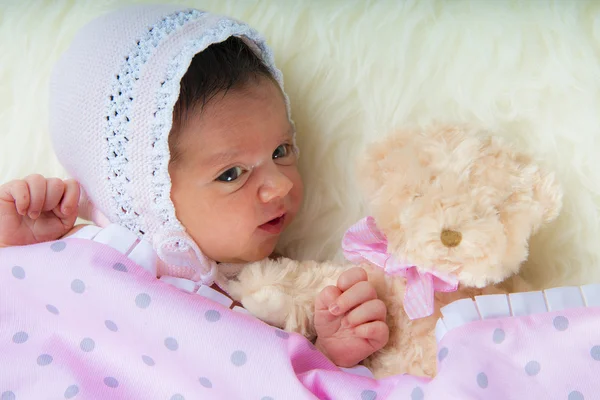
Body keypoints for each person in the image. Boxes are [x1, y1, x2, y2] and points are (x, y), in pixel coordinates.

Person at [0, 4, 388, 371]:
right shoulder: (98, 260)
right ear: (146, 195)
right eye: (232, 174)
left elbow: (264, 380)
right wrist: (19, 248)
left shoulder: (263, 298)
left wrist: (329, 355)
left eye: (281, 150)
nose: (280, 184)